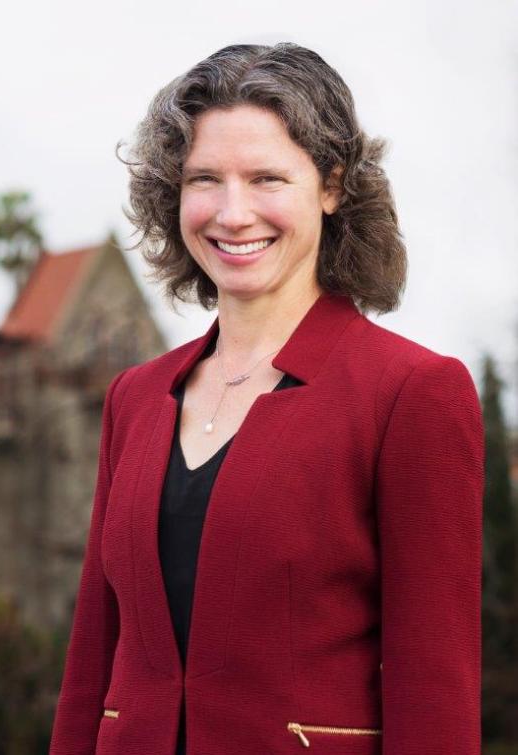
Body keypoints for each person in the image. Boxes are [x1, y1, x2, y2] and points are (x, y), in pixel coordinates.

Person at [49, 43, 484, 755]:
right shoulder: (134, 396)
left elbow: (434, 686)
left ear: (332, 186)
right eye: (205, 179)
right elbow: (92, 664)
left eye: (266, 178)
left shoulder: (412, 392)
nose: (233, 212)